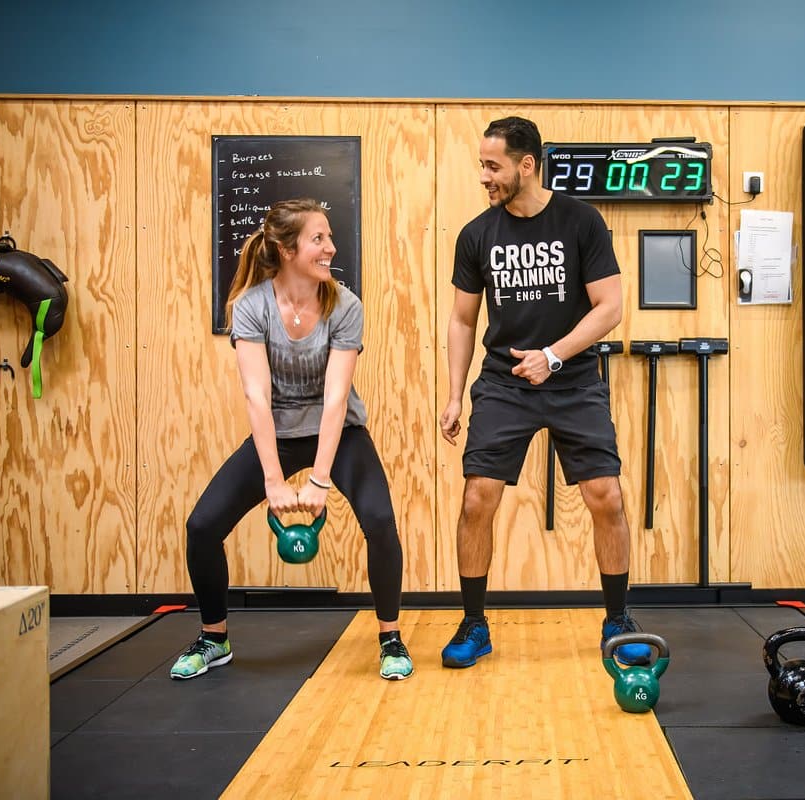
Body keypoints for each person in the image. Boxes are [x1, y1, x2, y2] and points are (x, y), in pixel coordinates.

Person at [439, 116, 651, 668]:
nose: (484, 176)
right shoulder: (476, 235)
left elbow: (610, 307)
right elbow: (463, 321)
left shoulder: (581, 222)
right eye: (482, 165)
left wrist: (554, 355)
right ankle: (473, 623)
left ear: (526, 165)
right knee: (477, 498)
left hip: (573, 380)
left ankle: (617, 617)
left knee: (606, 496)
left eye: (493, 165)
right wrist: (455, 394)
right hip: (504, 383)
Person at [172, 198, 412, 681]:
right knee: (202, 527)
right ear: (286, 249)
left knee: (381, 521)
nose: (330, 248)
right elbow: (257, 396)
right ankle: (214, 638)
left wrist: (320, 480)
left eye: (329, 237)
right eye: (317, 239)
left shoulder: (344, 305)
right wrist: (274, 481)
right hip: (277, 433)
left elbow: (336, 397)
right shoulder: (251, 307)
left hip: (338, 433)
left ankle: (390, 639)